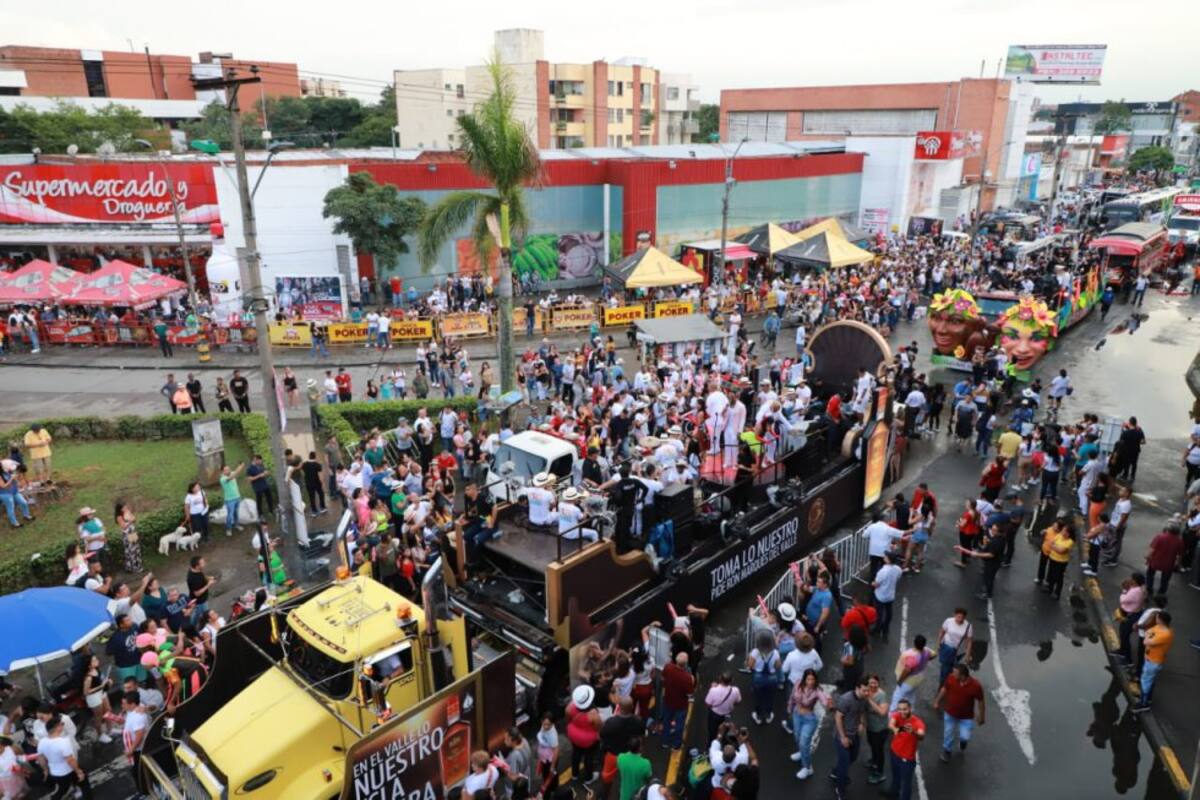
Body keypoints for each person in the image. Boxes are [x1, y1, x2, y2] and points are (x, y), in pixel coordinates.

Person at [934, 662, 985, 762]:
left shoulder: (976, 686)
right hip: (950, 713)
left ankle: (963, 742)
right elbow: (944, 689)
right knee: (948, 733)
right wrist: (937, 701)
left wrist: (982, 716)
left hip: (966, 717)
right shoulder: (951, 678)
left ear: (962, 676)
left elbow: (981, 701)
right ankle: (947, 751)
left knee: (965, 737)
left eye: (955, 673)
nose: (952, 674)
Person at [786, 668, 830, 780]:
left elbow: (824, 700)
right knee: (797, 736)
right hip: (797, 714)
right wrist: (790, 708)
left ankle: (807, 767)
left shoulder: (817, 691)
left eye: (813, 679)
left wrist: (829, 704)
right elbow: (792, 697)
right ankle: (801, 753)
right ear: (804, 679)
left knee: (804, 742)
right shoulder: (797, 684)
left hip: (809, 719)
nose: (810, 682)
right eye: (808, 679)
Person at [36, 714, 91, 799]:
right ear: (57, 727)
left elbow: (41, 759)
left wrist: (46, 770)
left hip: (55, 773)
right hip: (68, 771)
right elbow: (70, 760)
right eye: (62, 724)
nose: (63, 726)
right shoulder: (64, 742)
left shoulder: (42, 742)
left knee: (62, 789)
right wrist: (79, 772)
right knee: (84, 783)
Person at [832, 677, 870, 800]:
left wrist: (862, 723)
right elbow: (838, 718)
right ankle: (840, 789)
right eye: (864, 690)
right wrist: (843, 737)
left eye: (868, 690)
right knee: (845, 763)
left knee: (853, 758)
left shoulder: (864, 698)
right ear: (857, 688)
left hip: (855, 735)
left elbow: (862, 712)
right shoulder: (846, 699)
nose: (866, 693)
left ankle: (835, 772)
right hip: (842, 735)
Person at [1133, 611, 1173, 712]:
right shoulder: (1160, 628)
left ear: (1160, 620)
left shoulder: (1165, 634)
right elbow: (1149, 631)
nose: (1156, 619)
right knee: (1148, 680)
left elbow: (1146, 640)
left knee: (1145, 681)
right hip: (1150, 659)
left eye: (1157, 617)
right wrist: (1149, 635)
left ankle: (1144, 703)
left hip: (1153, 662)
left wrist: (1148, 636)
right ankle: (1146, 697)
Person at [887, 699, 925, 800]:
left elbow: (921, 735)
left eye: (905, 709)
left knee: (906, 784)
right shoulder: (897, 715)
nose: (902, 712)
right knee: (896, 778)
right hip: (894, 753)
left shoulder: (917, 722)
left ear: (910, 709)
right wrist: (895, 729)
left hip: (907, 759)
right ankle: (893, 794)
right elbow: (890, 724)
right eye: (899, 709)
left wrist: (913, 732)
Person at [890, 635, 934, 712]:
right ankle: (910, 712)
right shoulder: (927, 651)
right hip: (918, 679)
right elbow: (934, 654)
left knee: (897, 697)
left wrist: (900, 681)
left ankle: (892, 714)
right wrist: (927, 659)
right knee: (911, 696)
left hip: (908, 681)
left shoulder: (913, 657)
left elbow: (907, 670)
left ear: (915, 643)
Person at [660, 651, 694, 749]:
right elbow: (690, 694)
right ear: (686, 663)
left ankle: (665, 742)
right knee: (679, 725)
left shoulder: (668, 667)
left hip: (668, 700)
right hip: (681, 705)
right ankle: (676, 744)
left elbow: (663, 678)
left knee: (666, 721)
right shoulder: (687, 678)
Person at [746, 630, 780, 725]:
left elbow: (750, 666)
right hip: (772, 678)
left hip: (758, 678)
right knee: (770, 697)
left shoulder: (755, 652)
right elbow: (778, 666)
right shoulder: (775, 653)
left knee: (758, 697)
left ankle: (758, 716)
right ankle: (769, 715)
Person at [935, 609, 974, 686]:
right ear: (954, 615)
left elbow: (969, 641)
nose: (960, 619)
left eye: (962, 617)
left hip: (958, 651)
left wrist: (968, 654)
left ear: (965, 617)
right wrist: (938, 643)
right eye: (958, 616)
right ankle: (943, 683)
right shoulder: (948, 621)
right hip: (946, 648)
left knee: (956, 667)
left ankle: (950, 680)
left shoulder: (968, 626)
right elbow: (942, 631)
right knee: (946, 667)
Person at [1145, 522, 1184, 595]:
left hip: (1155, 561)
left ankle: (1149, 590)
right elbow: (1179, 555)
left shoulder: (1159, 537)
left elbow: (1152, 550)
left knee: (1150, 575)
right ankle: (1161, 593)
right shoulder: (1179, 541)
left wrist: (1147, 558)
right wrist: (1177, 564)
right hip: (1168, 564)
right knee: (1165, 580)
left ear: (1168, 529)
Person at [704, 673, 742, 744]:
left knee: (712, 731)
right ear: (731, 681)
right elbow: (738, 701)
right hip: (727, 715)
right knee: (724, 730)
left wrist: (712, 688)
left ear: (720, 679)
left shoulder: (713, 690)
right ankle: (722, 741)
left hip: (714, 714)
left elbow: (708, 703)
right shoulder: (736, 690)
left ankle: (711, 745)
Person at [872, 553, 903, 641]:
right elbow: (898, 577)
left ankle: (877, 630)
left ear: (888, 560)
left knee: (879, 614)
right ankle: (885, 630)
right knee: (888, 613)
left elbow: (876, 584)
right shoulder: (898, 569)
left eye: (886, 556)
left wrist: (872, 583)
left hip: (880, 596)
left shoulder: (882, 571)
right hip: (890, 596)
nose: (884, 557)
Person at [219, 463, 246, 536]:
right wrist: (239, 467)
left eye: (228, 469)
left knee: (236, 513)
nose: (228, 470)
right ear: (222, 472)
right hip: (230, 500)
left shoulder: (231, 473)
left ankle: (236, 525)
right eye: (226, 470)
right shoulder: (223, 479)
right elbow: (232, 476)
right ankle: (228, 529)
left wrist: (241, 466)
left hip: (237, 497)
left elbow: (237, 472)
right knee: (230, 515)